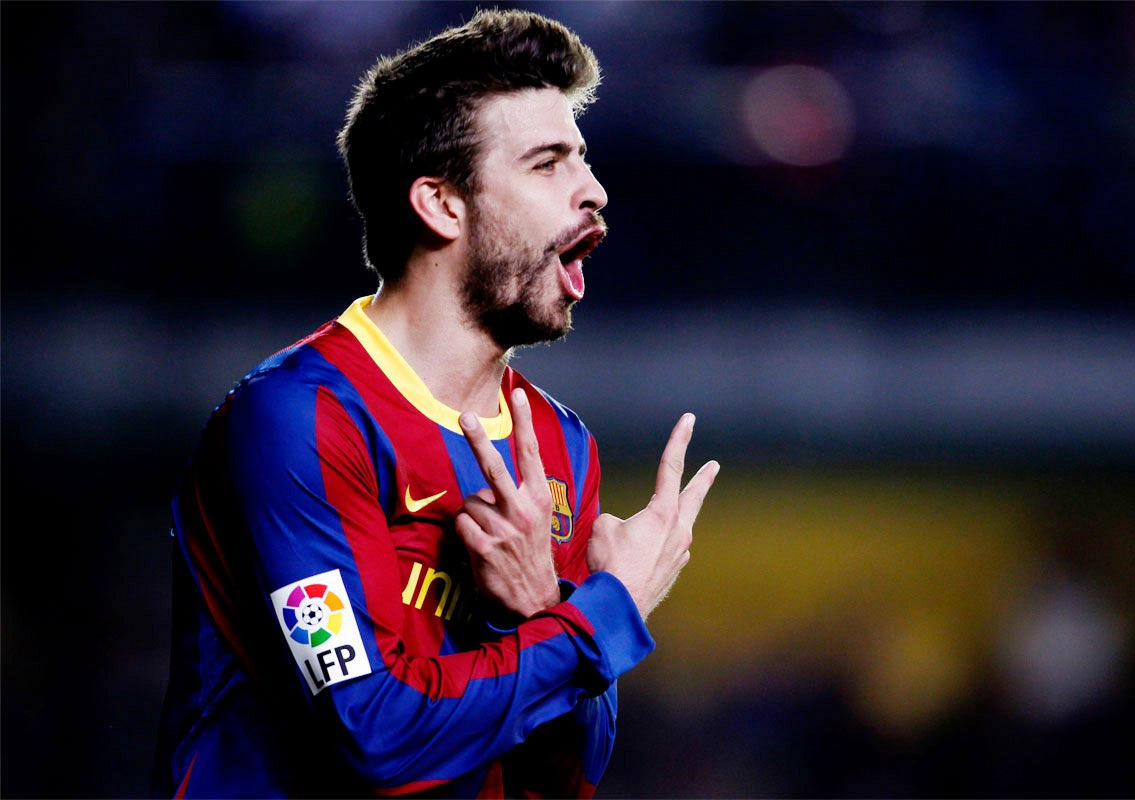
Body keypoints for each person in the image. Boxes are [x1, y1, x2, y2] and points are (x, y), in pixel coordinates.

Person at [154, 9, 719, 798]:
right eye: (548, 164)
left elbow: (562, 780)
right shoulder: (296, 418)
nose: (593, 192)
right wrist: (605, 611)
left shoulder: (558, 446)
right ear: (442, 205)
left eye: (583, 161)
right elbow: (371, 736)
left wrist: (540, 607)